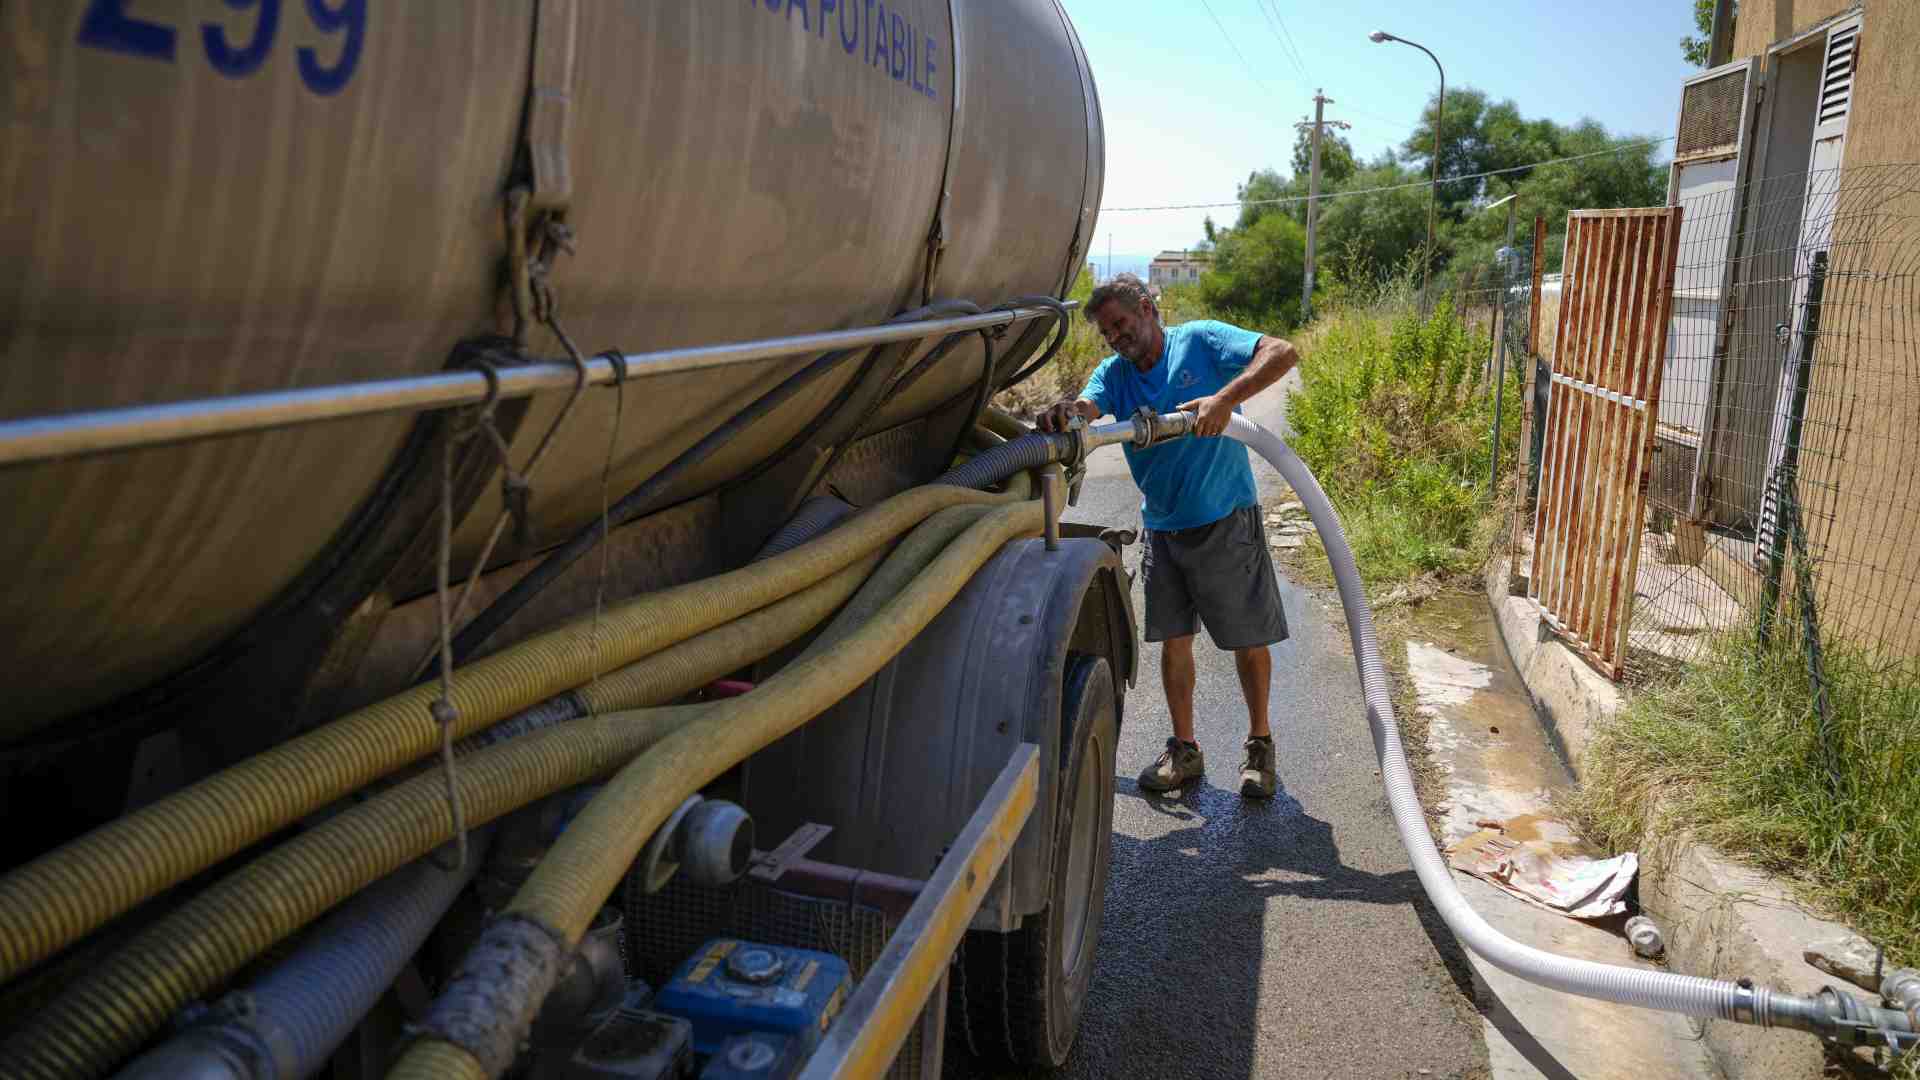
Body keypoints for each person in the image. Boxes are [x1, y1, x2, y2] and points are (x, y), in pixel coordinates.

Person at [1038, 274, 1299, 798]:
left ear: (1147, 308)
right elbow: (1089, 406)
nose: (1115, 338)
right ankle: (1185, 750)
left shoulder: (1200, 341)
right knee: (1174, 643)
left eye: (1120, 324)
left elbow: (1283, 352)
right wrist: (1070, 413)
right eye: (1107, 333)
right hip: (1163, 527)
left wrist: (1225, 398)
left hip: (1225, 518)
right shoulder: (1115, 375)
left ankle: (1260, 746)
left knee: (1247, 641)